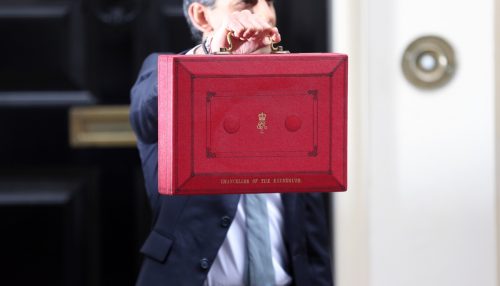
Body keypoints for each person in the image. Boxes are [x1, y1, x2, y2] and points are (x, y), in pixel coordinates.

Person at [130, 0, 333, 285]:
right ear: (202, 16)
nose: (265, 14)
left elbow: (311, 232)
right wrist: (212, 54)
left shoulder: (299, 92)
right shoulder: (164, 73)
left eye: (269, 2)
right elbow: (145, 112)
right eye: (247, 3)